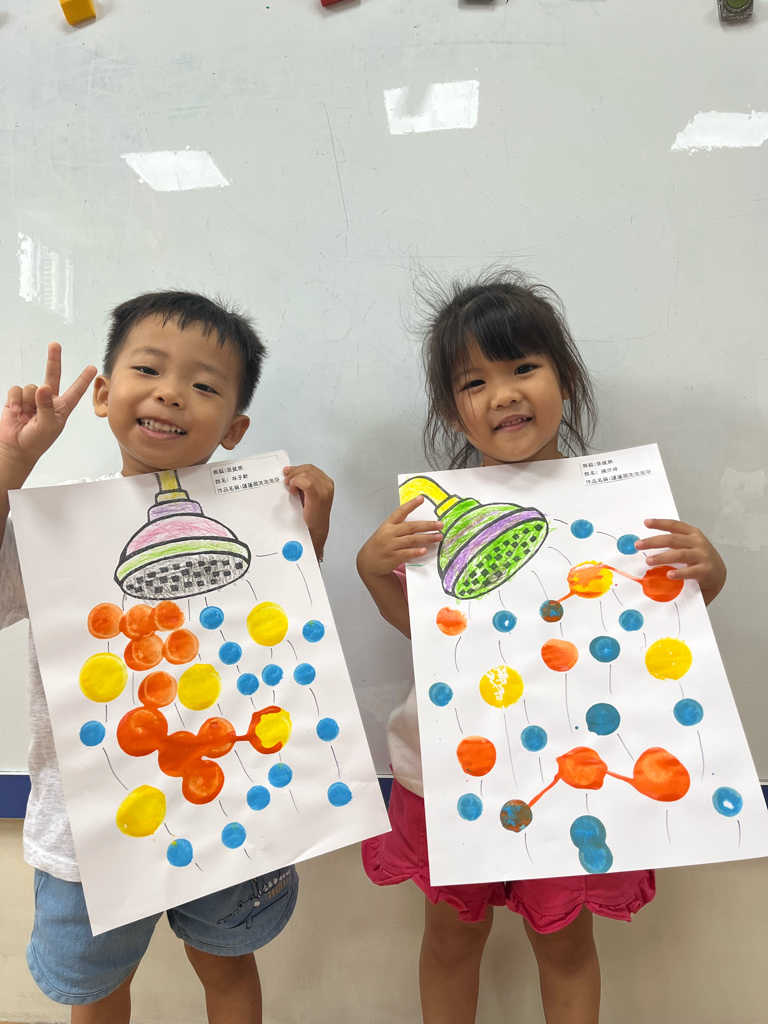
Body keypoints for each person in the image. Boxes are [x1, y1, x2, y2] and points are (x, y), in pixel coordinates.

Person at [356, 270, 727, 1024]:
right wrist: (372, 569)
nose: (503, 394)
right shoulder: (432, 525)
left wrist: (708, 573)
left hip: (573, 767)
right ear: (450, 410)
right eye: (474, 382)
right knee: (451, 936)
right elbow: (427, 636)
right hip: (449, 767)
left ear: (565, 378)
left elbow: (659, 629)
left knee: (563, 941)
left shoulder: (622, 507)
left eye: (523, 367)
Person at [0, 291, 334, 1024]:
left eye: (204, 385)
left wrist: (310, 535)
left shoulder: (259, 519)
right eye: (148, 369)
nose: (171, 393)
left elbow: (282, 632)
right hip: (88, 829)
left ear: (234, 428)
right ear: (102, 395)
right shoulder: (54, 525)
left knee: (227, 962)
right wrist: (10, 466)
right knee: (97, 988)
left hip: (230, 802)